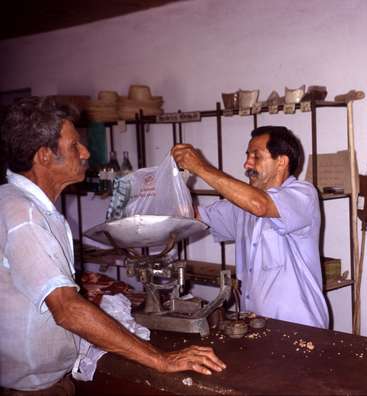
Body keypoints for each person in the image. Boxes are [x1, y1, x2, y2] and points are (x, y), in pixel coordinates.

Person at [0, 97, 226, 395]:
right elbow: (67, 309)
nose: (85, 152)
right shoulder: (25, 217)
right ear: (44, 156)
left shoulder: (18, 202)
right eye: (73, 146)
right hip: (32, 389)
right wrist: (161, 359)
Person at [171, 126, 329, 329]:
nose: (247, 163)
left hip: (300, 326)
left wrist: (201, 167)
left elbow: (260, 206)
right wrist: (168, 185)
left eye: (256, 156)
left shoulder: (303, 194)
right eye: (247, 156)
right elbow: (194, 216)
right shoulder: (241, 204)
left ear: (281, 161)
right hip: (255, 324)